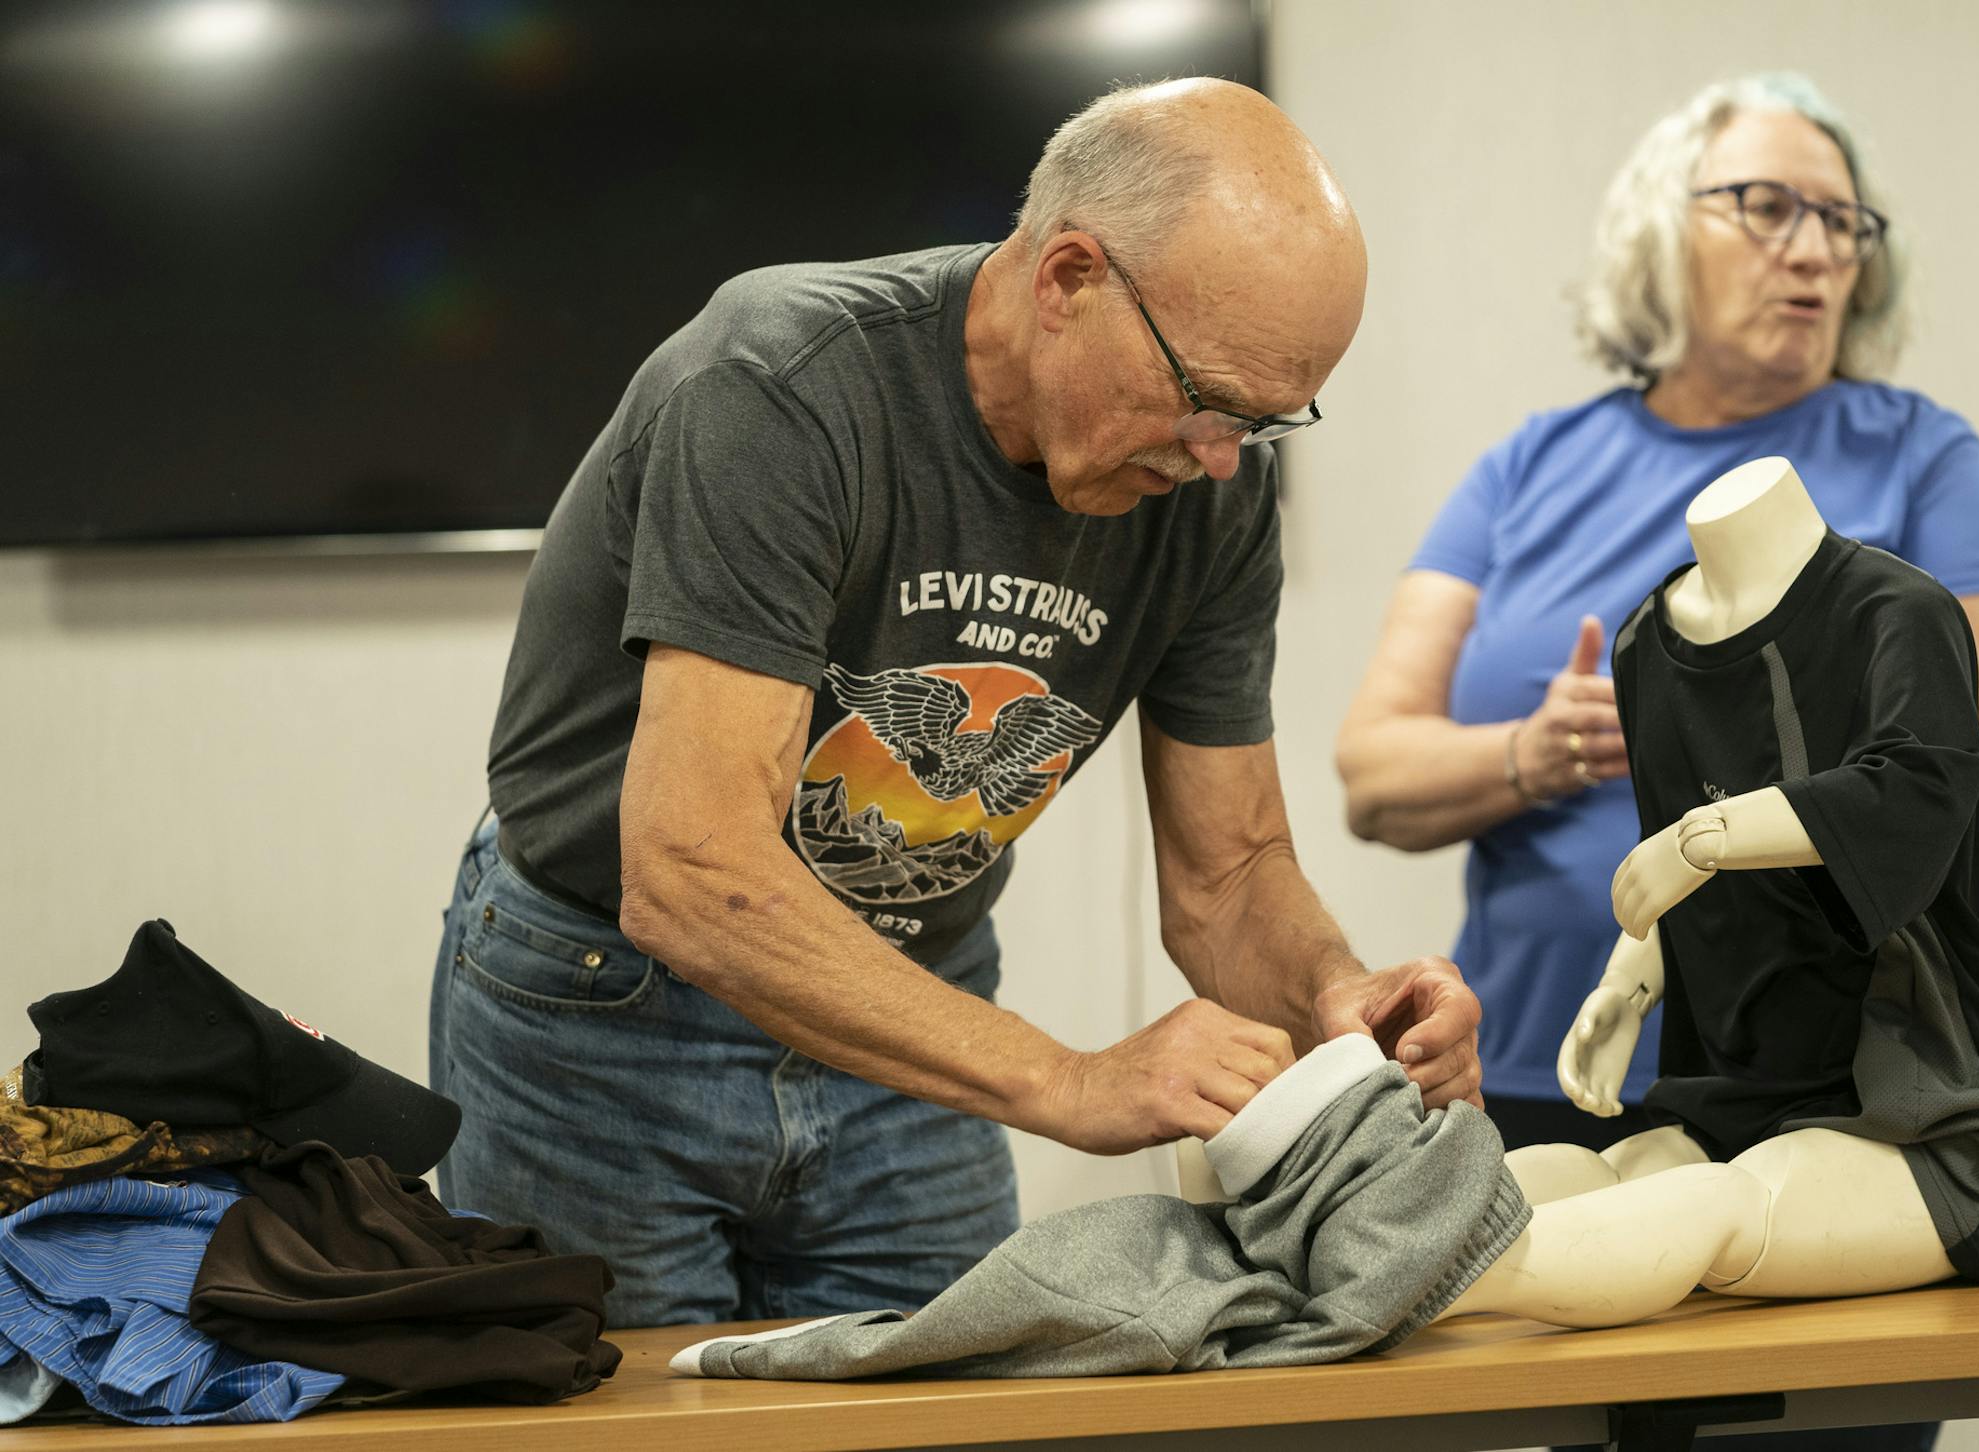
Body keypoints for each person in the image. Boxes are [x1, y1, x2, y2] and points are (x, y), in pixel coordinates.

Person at [428, 78, 1484, 1331]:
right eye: (1209, 399)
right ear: (1068, 279)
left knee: (948, 1408)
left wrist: (1335, 997)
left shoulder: (1211, 484)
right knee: (622, 1419)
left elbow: (1231, 872)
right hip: (605, 1017)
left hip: (909, 1005)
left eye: (1267, 422)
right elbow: (695, 873)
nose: (1219, 457)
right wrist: (1068, 1079)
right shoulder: (781, 388)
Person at [1335, 72, 1979, 1158]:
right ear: (1657, 233)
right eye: (1768, 207)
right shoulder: (1527, 467)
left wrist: (1724, 742)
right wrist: (1535, 754)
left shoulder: (1923, 458)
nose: (1817, 250)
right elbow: (1373, 776)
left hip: (1859, 1078)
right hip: (1546, 1058)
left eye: (1843, 222)